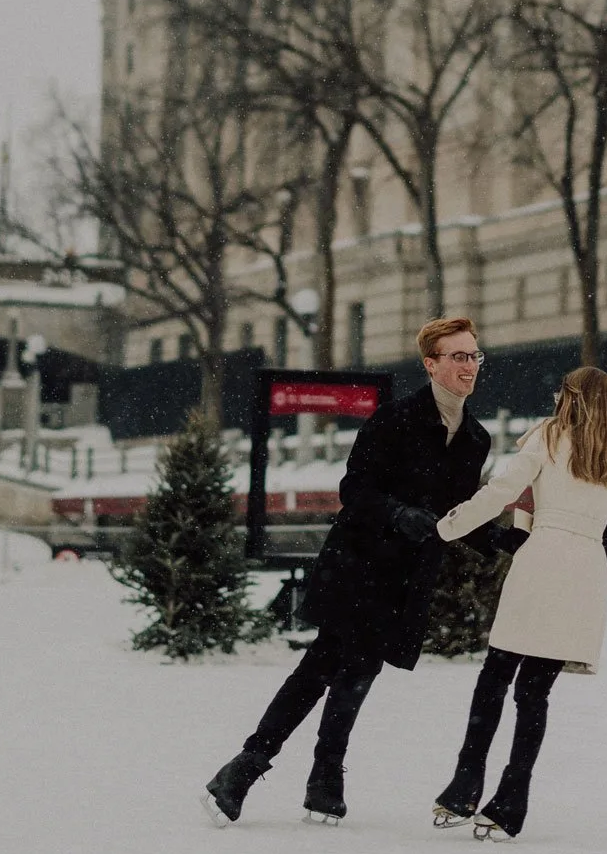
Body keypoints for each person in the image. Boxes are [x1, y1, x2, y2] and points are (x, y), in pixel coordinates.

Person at [203, 316, 509, 825]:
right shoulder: (393, 419)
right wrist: (397, 513)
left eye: (473, 356)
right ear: (430, 364)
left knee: (359, 671)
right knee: (324, 666)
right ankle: (253, 768)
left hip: (406, 579)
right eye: (456, 356)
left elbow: (458, 514)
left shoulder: (475, 438)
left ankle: (311, 777)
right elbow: (355, 490)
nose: (468, 366)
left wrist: (499, 538)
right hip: (360, 564)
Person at [430, 364, 607, 840]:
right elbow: (575, 509)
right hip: (585, 570)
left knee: (495, 677)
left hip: (542, 563)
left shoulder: (548, 434)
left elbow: (504, 490)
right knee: (534, 694)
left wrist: (448, 526)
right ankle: (510, 803)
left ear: (571, 397)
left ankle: (464, 785)